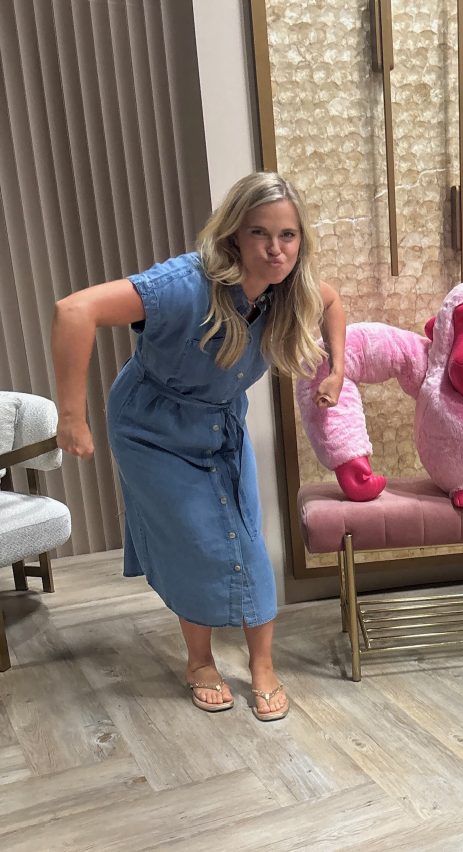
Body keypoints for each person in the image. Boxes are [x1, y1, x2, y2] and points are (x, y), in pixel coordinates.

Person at [51, 172, 347, 721]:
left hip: (219, 424)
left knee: (248, 539)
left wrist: (337, 370)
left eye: (288, 235)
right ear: (234, 234)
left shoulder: (290, 288)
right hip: (151, 430)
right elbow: (75, 310)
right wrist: (72, 416)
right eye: (260, 233)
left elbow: (331, 302)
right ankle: (199, 662)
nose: (276, 249)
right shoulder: (184, 285)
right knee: (195, 541)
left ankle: (262, 666)